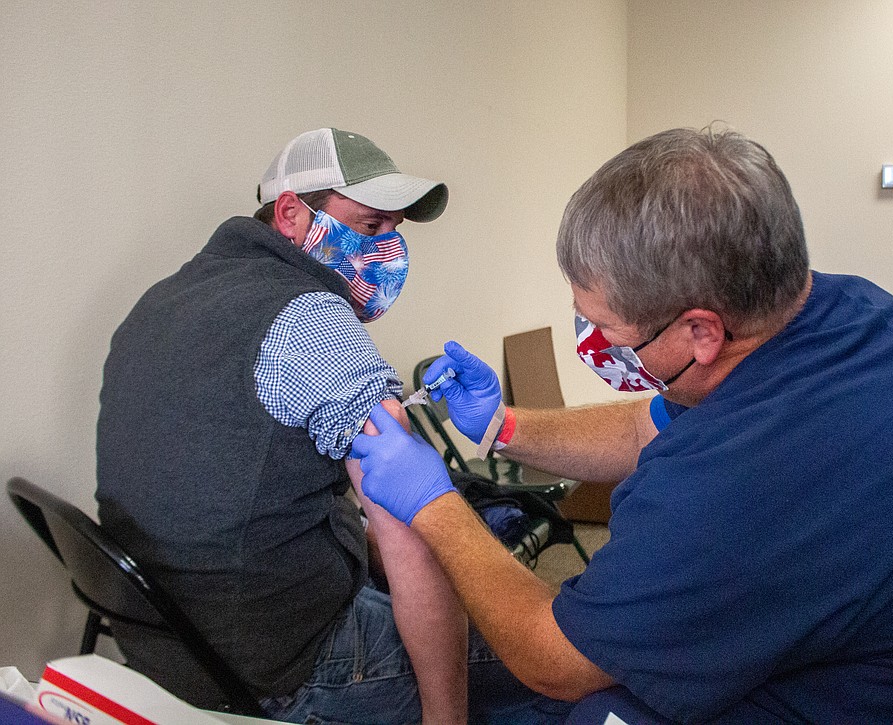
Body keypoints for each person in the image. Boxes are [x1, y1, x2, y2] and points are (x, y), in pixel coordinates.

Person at [350, 126, 893, 722]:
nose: (592, 339)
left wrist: (433, 502)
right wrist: (503, 425)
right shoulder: (832, 309)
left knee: (598, 715)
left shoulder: (754, 478)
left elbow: (556, 657)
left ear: (701, 331)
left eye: (608, 328)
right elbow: (648, 428)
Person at [96, 128, 556, 723]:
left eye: (396, 231)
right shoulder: (312, 318)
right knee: (558, 656)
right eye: (370, 227)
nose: (389, 249)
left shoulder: (158, 302)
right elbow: (415, 535)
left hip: (168, 645)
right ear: (291, 214)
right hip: (281, 664)